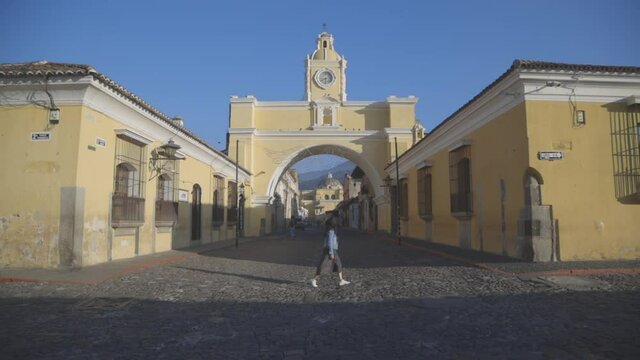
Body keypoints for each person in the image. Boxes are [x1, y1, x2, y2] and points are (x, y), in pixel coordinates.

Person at [310, 216, 350, 287]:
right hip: (329, 250)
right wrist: (331, 253)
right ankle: (314, 279)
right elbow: (330, 243)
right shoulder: (331, 231)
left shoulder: (330, 230)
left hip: (332, 250)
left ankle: (341, 280)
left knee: (338, 264)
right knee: (322, 266)